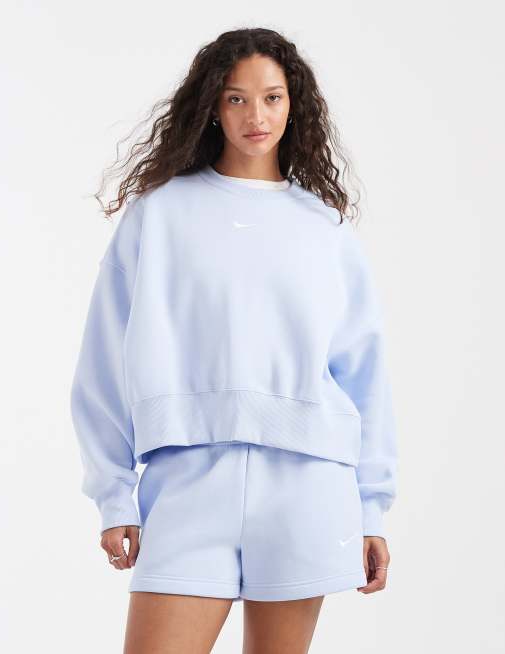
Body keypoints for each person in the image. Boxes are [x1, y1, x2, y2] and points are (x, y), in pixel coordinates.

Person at [70, 27, 399, 654]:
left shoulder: (323, 227)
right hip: (187, 483)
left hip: (307, 486)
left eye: (272, 98)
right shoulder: (160, 213)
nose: (256, 116)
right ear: (212, 107)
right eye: (237, 98)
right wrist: (114, 496)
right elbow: (104, 360)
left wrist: (369, 509)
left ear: (293, 104)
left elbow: (364, 373)